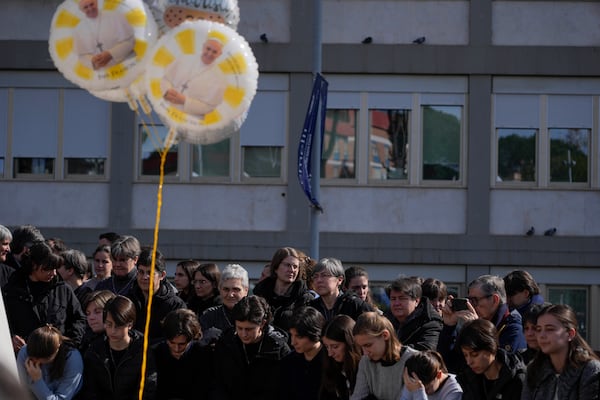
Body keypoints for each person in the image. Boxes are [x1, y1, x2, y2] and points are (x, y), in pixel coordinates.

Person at [3, 241, 87, 352]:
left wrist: (69, 344)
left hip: (59, 355)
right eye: (48, 269)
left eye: (55, 268)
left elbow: (79, 319)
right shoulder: (11, 290)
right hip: (23, 354)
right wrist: (10, 338)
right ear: (33, 265)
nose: (53, 273)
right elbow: (3, 323)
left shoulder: (62, 289)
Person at [437, 274, 526, 373]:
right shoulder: (472, 325)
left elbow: (500, 368)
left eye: (474, 300)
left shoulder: (514, 329)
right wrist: (449, 326)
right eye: (468, 300)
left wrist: (477, 330)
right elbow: (449, 365)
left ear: (494, 300)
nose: (471, 306)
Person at [215, 295, 290, 400]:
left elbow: (286, 387)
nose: (243, 334)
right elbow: (218, 383)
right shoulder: (226, 343)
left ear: (262, 324)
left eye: (249, 329)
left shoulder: (278, 348)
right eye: (239, 328)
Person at [82, 295, 156, 399]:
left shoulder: (143, 350)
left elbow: (147, 387)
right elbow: (90, 389)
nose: (113, 331)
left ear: (129, 324)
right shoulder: (95, 351)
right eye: (109, 324)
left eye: (118, 326)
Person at [522, 304, 600, 400]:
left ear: (570, 334)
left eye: (549, 329)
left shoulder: (590, 370)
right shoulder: (534, 369)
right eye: (538, 329)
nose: (541, 335)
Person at [351, 311, 418, 400]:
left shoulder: (413, 360)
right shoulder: (366, 362)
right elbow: (358, 397)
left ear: (385, 335)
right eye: (361, 347)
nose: (365, 353)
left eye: (368, 345)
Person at [126, 247, 186, 343]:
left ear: (162, 275)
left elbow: (176, 339)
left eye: (150, 273)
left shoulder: (175, 305)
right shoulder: (128, 301)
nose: (145, 277)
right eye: (141, 272)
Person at [455, 318, 525, 400]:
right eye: (465, 355)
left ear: (492, 348)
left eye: (474, 355)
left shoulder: (517, 380)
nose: (469, 362)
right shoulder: (469, 379)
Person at [153, 309, 215, 400]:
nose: (176, 348)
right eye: (172, 343)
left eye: (182, 344)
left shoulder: (203, 354)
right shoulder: (156, 353)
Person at [161, 31, 227, 117]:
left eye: (214, 52)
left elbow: (210, 107)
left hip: (191, 119)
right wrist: (167, 91)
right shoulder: (184, 58)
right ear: (203, 47)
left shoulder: (220, 78)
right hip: (166, 108)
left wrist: (185, 101)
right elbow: (165, 78)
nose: (209, 54)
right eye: (208, 49)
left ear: (219, 54)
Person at [253, 247, 314, 331]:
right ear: (276, 267)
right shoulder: (260, 293)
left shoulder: (305, 298)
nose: (292, 270)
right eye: (287, 265)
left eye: (295, 267)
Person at [16, 325, 83, 400]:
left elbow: (61, 398)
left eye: (43, 360)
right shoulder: (24, 353)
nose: (37, 362)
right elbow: (21, 392)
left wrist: (37, 380)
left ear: (57, 349)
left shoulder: (73, 359)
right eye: (34, 358)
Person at [279, 306, 327, 400]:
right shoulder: (289, 362)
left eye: (299, 336)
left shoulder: (330, 361)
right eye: (292, 335)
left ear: (313, 333)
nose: (293, 342)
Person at [385, 276, 443, 351]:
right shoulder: (385, 320)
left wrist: (391, 350)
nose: (396, 303)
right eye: (393, 299)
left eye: (402, 298)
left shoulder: (430, 322)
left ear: (416, 301)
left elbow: (426, 349)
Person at [75, 0, 135, 70]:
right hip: (103, 72)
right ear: (82, 10)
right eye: (86, 7)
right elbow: (81, 55)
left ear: (96, 3)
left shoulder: (115, 16)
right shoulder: (79, 29)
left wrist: (110, 54)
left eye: (92, 4)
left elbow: (130, 41)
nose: (90, 8)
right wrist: (92, 60)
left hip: (126, 65)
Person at [308, 257, 372, 322]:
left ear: (339, 280)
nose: (319, 280)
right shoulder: (311, 308)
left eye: (324, 275)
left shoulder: (355, 306)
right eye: (315, 276)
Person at [199, 263, 249, 345]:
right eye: (226, 289)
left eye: (236, 289)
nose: (230, 294)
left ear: (246, 291)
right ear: (220, 290)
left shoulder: (254, 315)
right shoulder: (209, 316)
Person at [320, 314, 362, 400]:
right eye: (326, 347)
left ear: (349, 344)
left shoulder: (366, 368)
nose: (330, 353)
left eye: (335, 347)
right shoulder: (331, 366)